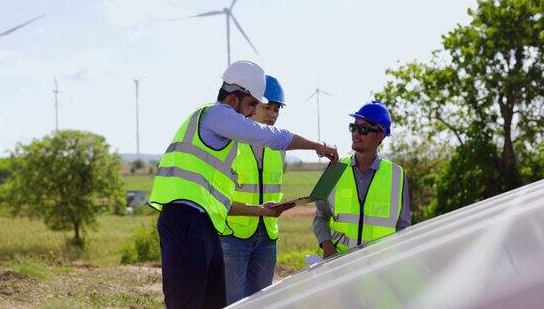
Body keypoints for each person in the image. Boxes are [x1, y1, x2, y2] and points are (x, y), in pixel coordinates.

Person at [150, 60, 339, 309]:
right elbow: (270, 135)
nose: (253, 112)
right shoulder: (216, 115)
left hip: (205, 225)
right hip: (186, 220)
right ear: (232, 100)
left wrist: (262, 210)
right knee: (187, 303)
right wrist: (317, 146)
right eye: (252, 104)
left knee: (214, 303)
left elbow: (222, 201)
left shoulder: (224, 141)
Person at [312, 101, 410, 259]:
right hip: (340, 264)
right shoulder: (333, 169)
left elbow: (403, 226)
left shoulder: (397, 174)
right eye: (354, 127)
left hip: (380, 268)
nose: (355, 133)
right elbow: (320, 217)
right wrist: (327, 246)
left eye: (363, 129)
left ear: (380, 136)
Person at [221, 75, 287, 305]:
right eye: (267, 107)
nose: (272, 114)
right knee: (232, 302)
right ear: (251, 105)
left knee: (262, 302)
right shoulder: (231, 141)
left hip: (267, 236)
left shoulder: (279, 147)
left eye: (277, 109)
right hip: (233, 235)